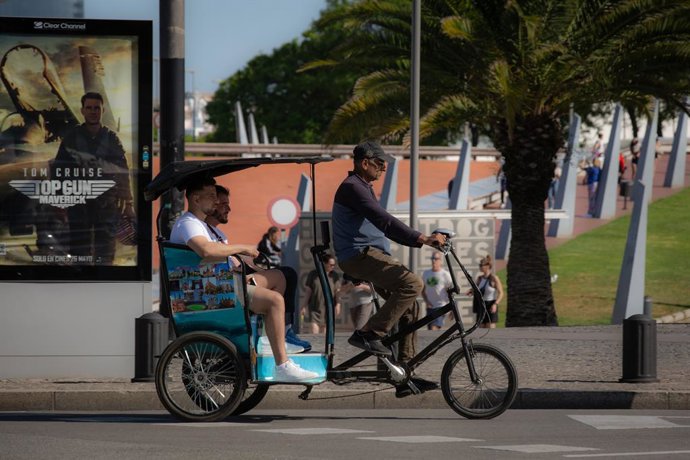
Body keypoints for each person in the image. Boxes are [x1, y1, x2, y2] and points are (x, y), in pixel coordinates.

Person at [170, 176, 317, 382]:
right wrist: (243, 248)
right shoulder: (188, 223)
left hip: (222, 283)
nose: (216, 200)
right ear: (195, 199)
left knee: (279, 278)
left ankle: (271, 339)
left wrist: (242, 270)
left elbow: (218, 255)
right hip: (207, 293)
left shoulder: (203, 226)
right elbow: (206, 251)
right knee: (275, 300)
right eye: (211, 196)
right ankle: (282, 365)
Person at [332, 140, 446, 398]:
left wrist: (416, 239)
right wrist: (423, 239)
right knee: (413, 284)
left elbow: (384, 225)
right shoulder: (353, 188)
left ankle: (404, 373)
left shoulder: (363, 187)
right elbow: (384, 221)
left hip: (368, 255)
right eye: (380, 164)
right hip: (358, 256)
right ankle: (368, 333)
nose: (383, 169)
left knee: (411, 308)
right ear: (365, 163)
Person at [205, 185, 311, 352]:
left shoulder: (218, 233)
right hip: (228, 284)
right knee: (279, 287)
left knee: (287, 274)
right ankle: (278, 336)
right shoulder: (201, 230)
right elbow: (212, 256)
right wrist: (241, 252)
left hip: (235, 277)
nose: (229, 208)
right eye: (224, 204)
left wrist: (246, 262)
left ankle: (283, 332)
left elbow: (229, 259)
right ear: (212, 204)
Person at [52, 92, 134, 265]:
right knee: (79, 253)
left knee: (105, 254)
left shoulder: (111, 139)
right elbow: (59, 170)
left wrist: (128, 204)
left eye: (96, 108)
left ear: (102, 110)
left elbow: (122, 172)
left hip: (106, 204)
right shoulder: (72, 138)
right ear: (82, 110)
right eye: (89, 108)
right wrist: (59, 201)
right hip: (78, 203)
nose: (93, 111)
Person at [302, 253, 342, 334]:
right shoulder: (313, 274)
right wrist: (303, 306)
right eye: (331, 265)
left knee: (325, 333)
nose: (333, 267)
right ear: (324, 263)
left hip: (328, 307)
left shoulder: (334, 275)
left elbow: (337, 291)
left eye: (334, 265)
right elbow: (308, 291)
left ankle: (323, 347)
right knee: (314, 332)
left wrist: (338, 304)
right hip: (315, 306)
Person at [469, 255, 504, 329]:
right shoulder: (479, 278)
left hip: (490, 305)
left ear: (487, 266)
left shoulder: (494, 278)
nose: (480, 267)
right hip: (481, 306)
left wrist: (495, 304)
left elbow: (501, 293)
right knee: (481, 328)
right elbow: (476, 290)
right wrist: (471, 291)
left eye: (482, 265)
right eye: (480, 265)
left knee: (490, 328)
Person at [422, 251, 453, 330]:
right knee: (431, 330)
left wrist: (451, 308)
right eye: (432, 258)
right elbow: (422, 290)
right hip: (430, 307)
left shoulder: (445, 274)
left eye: (436, 259)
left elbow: (451, 291)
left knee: (434, 327)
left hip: (441, 306)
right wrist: (427, 301)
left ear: (440, 260)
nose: (433, 261)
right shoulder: (426, 273)